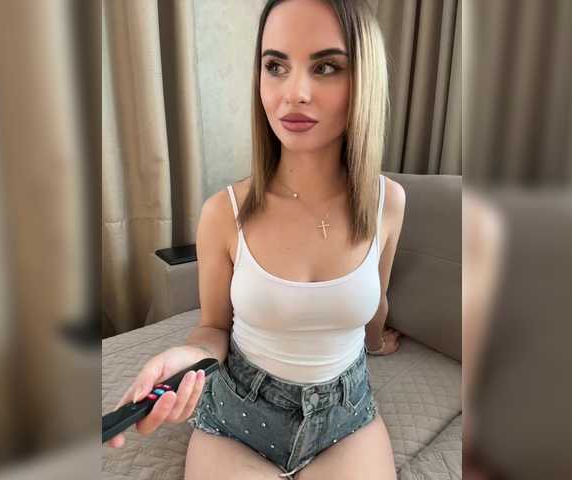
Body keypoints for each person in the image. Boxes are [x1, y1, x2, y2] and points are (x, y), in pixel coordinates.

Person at [107, 1, 406, 478]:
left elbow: (376, 300)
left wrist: (375, 342)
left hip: (345, 418)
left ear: (364, 79)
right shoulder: (223, 213)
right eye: (275, 67)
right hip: (238, 417)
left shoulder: (388, 202)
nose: (294, 93)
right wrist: (189, 356)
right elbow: (213, 328)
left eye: (326, 67)